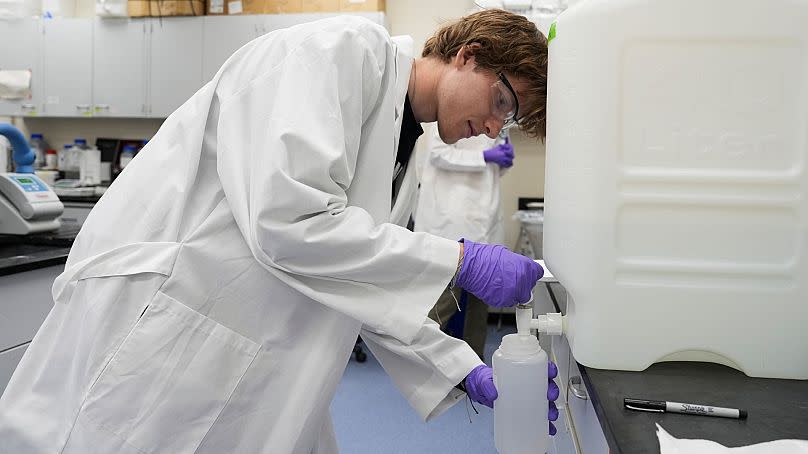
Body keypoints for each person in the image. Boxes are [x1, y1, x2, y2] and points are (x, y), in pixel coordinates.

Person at [0, 9, 553, 453]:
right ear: (468, 55)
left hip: (260, 355)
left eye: (507, 121)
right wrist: (460, 261)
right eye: (501, 103)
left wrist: (463, 368)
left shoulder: (405, 141)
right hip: (176, 322)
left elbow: (359, 279)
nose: (492, 127)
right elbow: (289, 222)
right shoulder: (342, 51)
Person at [415, 126, 513, 359]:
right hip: (454, 218)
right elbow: (438, 154)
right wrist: (484, 156)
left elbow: (494, 169)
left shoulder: (501, 121)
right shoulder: (455, 113)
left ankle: (472, 365)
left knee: (481, 300)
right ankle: (419, 357)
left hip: (484, 216)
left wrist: (504, 161)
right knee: (446, 299)